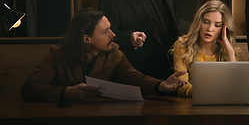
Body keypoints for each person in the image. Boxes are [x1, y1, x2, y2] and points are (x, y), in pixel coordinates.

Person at [21, 8, 187, 102]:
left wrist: (160, 85)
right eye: (105, 31)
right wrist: (66, 92)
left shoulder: (113, 52)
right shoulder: (57, 55)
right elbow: (29, 89)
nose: (113, 35)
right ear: (87, 39)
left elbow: (134, 78)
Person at [170, 0, 241, 97]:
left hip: (224, 104)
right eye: (206, 22)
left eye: (217, 25)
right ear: (199, 22)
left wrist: (230, 51)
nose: (210, 29)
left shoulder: (229, 51)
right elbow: (182, 86)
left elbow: (236, 87)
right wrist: (205, 93)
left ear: (224, 28)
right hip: (194, 103)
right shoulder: (182, 46)